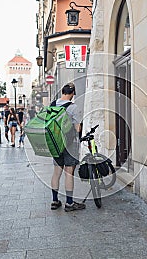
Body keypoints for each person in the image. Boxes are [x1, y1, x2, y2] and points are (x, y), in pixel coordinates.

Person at [50, 83, 85, 212]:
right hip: (69, 144)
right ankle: (69, 203)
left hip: (55, 143)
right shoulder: (73, 107)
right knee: (69, 173)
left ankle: (54, 200)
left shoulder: (52, 104)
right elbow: (77, 128)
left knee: (56, 173)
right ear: (72, 94)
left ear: (62, 92)